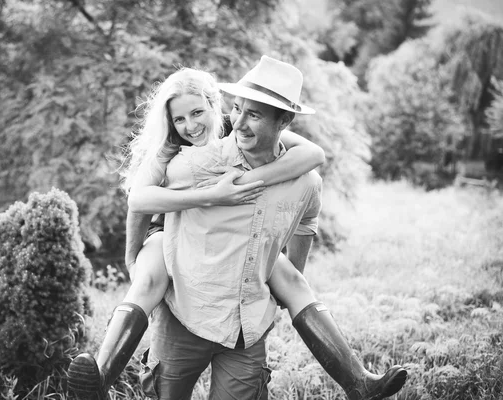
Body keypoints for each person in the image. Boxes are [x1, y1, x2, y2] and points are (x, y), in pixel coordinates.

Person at [68, 57, 407, 400]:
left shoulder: (305, 181)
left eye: (254, 115)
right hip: (188, 306)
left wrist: (280, 278)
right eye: (238, 110)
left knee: (292, 279)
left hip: (247, 325)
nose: (240, 123)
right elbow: (139, 200)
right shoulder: (192, 162)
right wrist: (133, 255)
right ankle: (100, 377)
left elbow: (306, 217)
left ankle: (359, 383)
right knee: (149, 282)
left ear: (285, 121)